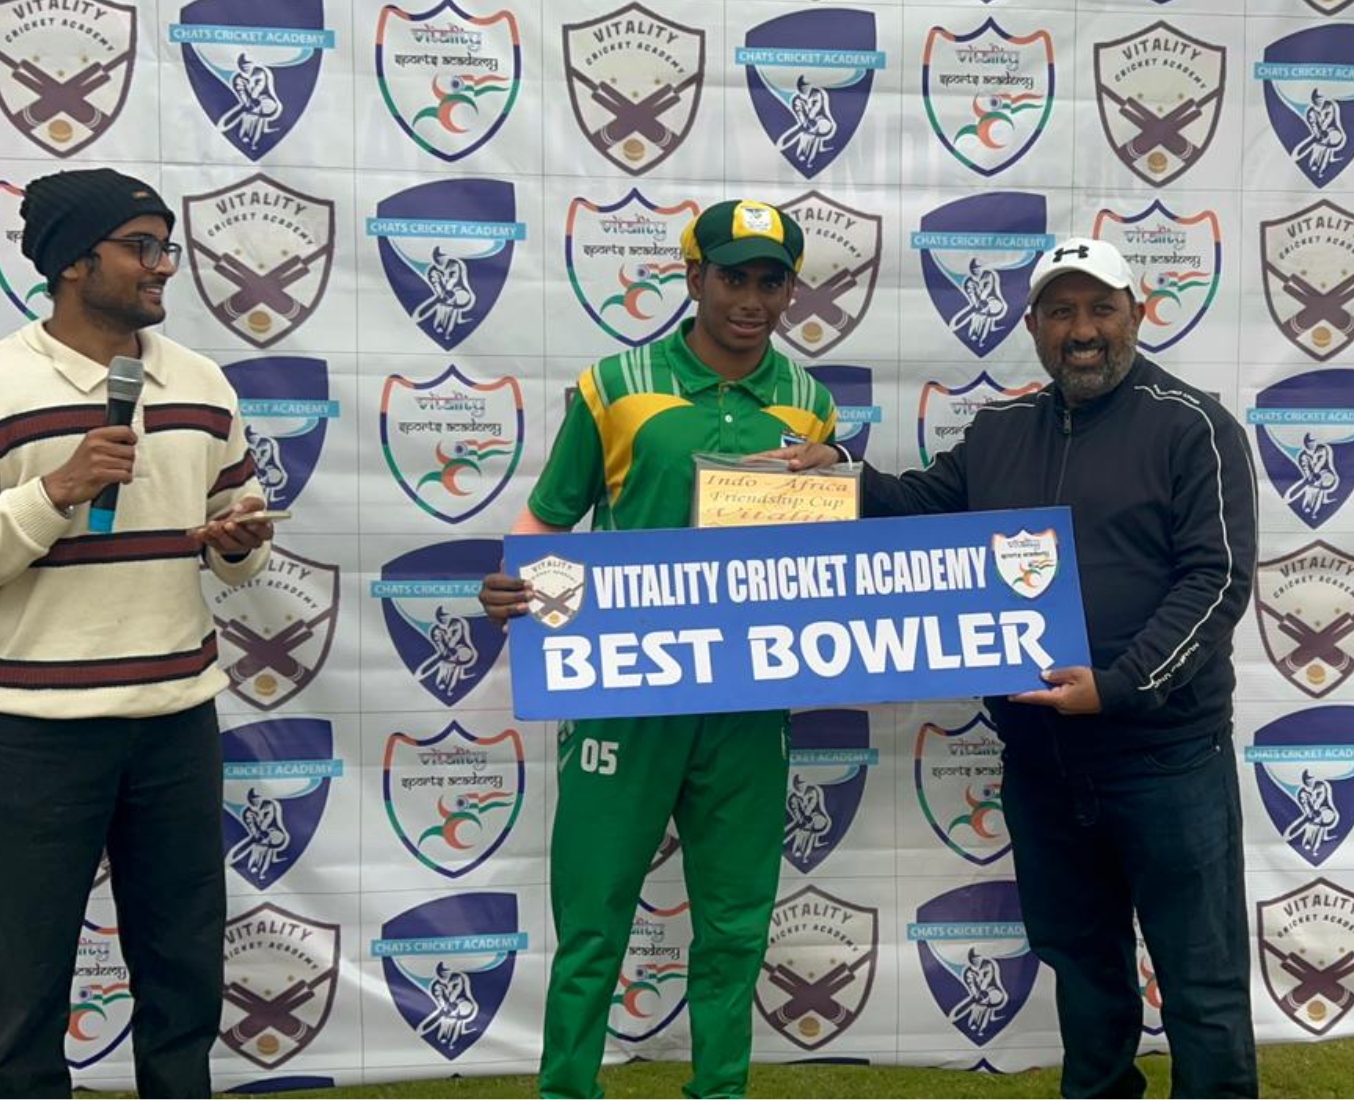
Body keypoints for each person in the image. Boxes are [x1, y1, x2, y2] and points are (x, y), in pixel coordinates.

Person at [770, 236, 1260, 1098]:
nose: (1083, 331)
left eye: (1101, 309)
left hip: (1166, 760)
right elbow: (918, 506)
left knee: (1201, 980)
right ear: (1032, 325)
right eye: (1061, 312)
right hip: (1042, 760)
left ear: (1138, 315)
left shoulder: (1193, 427)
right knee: (1083, 966)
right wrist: (837, 472)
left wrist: (1119, 686)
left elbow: (1216, 579)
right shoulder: (1000, 432)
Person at [477, 199, 837, 1099]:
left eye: (771, 281)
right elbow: (551, 517)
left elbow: (817, 550)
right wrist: (512, 580)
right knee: (594, 918)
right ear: (694, 276)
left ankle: (720, 1091)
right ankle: (568, 1091)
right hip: (625, 693)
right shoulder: (615, 383)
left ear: (789, 290)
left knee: (735, 924)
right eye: (732, 277)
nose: (750, 299)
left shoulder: (809, 404)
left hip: (747, 700)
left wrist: (838, 476)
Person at [0, 168, 274, 1099]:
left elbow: (240, 537)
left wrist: (240, 543)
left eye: (166, 248)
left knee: (183, 967)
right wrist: (56, 491)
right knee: (20, 979)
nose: (163, 268)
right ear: (74, 262)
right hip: (33, 730)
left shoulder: (202, 382)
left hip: (175, 719)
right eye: (141, 248)